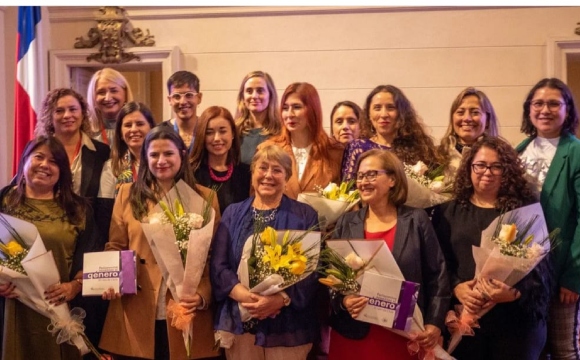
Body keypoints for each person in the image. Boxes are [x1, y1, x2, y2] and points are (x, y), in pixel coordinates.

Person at [99, 127, 220, 359]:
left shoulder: (205, 197)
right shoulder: (127, 194)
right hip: (137, 306)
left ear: (181, 155)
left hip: (186, 307)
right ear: (145, 157)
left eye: (168, 154)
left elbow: (214, 256)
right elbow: (115, 246)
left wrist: (203, 294)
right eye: (154, 155)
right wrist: (110, 279)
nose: (161, 161)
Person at [432, 137, 551, 359]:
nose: (487, 172)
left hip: (514, 322)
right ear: (469, 168)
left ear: (507, 170)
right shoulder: (447, 211)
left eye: (497, 166)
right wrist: (457, 288)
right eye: (480, 165)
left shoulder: (525, 210)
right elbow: (438, 262)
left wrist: (513, 293)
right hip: (466, 317)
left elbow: (541, 269)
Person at [328, 149, 450, 360]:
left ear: (392, 179)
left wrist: (434, 323)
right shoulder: (346, 222)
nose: (363, 181)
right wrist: (345, 300)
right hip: (354, 334)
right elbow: (332, 276)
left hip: (404, 335)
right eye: (360, 176)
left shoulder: (416, 220)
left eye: (371, 174)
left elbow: (437, 275)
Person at [211, 144, 320, 359]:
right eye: (263, 168)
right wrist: (246, 296)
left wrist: (280, 299)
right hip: (242, 321)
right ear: (252, 172)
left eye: (277, 170)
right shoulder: (233, 212)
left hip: (288, 327)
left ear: (287, 177)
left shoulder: (305, 215)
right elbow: (218, 266)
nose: (268, 175)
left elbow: (312, 270)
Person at [0, 136, 101, 360]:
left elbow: (93, 259)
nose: (45, 165)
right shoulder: (4, 200)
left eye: (54, 161)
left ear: (62, 171)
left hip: (59, 310)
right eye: (39, 157)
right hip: (11, 309)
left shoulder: (78, 209)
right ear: (24, 161)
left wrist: (74, 286)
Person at [515, 78, 580, 360]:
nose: (545, 110)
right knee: (533, 347)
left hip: (561, 266)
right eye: (538, 103)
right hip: (523, 269)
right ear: (529, 109)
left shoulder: (575, 152)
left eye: (554, 103)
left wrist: (574, 276)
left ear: (568, 110)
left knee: (564, 349)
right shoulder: (520, 149)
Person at [257, 82, 343, 199]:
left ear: (313, 110)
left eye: (297, 107)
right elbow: (257, 198)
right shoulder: (267, 150)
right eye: (285, 108)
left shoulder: (335, 151)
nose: (289, 114)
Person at [341, 85, 441, 182]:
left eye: (390, 107)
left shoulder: (419, 148)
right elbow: (347, 192)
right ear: (369, 114)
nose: (384, 114)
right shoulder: (357, 148)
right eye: (377, 108)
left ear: (401, 113)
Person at [34, 88, 110, 201]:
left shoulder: (102, 152)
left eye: (73, 109)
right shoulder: (37, 150)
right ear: (50, 117)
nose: (67, 115)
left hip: (87, 217)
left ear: (83, 114)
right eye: (59, 111)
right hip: (45, 216)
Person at [190, 106, 251, 213]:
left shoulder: (246, 173)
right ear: (202, 136)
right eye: (209, 133)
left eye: (222, 131)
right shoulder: (191, 173)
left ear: (232, 133)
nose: (217, 138)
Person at [438, 87, 499, 186]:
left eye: (475, 112)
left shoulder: (501, 157)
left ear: (487, 120)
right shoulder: (437, 156)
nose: (467, 118)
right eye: (460, 112)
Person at [235, 71, 281, 165]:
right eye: (249, 91)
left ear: (270, 95)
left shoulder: (281, 131)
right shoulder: (234, 131)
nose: (254, 96)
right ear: (243, 97)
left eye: (260, 91)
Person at [87, 68, 134, 146]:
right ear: (93, 97)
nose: (108, 98)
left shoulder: (138, 128)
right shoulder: (84, 131)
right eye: (101, 92)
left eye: (113, 91)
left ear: (125, 93)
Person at [159, 71, 203, 153]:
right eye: (176, 96)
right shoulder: (161, 131)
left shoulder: (207, 129)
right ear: (169, 100)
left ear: (199, 98)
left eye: (189, 95)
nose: (183, 102)